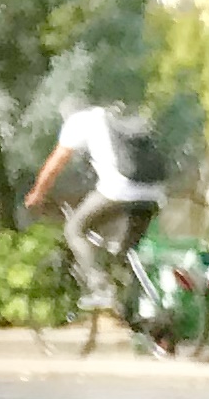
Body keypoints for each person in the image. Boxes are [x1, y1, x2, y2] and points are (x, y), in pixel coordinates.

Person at [22, 94, 165, 305]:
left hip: (120, 189)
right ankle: (133, 306)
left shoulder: (78, 121)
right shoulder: (111, 118)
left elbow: (55, 164)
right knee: (122, 253)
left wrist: (37, 193)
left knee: (74, 229)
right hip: (154, 192)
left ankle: (101, 288)